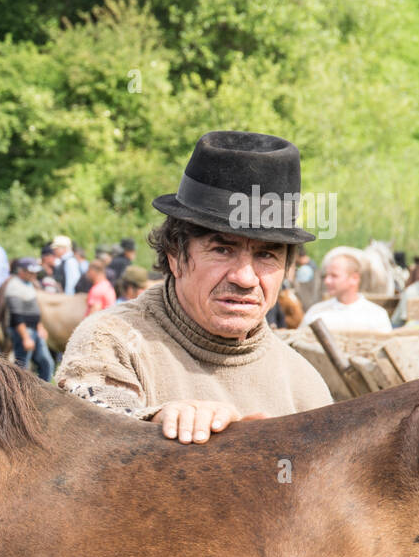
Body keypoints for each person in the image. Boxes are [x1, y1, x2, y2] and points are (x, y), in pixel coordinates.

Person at [57, 130, 332, 444]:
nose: (245, 278)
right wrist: (156, 421)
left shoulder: (305, 388)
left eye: (266, 254)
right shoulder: (112, 341)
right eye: (222, 250)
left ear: (287, 268)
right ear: (175, 254)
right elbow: (83, 431)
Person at [299, 252, 392, 333]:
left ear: (354, 278)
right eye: (326, 275)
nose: (327, 281)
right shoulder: (316, 313)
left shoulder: (376, 316)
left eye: (334, 276)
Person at [5, 257, 53, 380]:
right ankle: (19, 394)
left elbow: (33, 310)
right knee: (22, 367)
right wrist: (25, 337)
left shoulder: (28, 284)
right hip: (24, 331)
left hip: (34, 329)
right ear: (21, 271)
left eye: (34, 272)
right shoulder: (14, 287)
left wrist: (40, 326)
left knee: (46, 363)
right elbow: (17, 316)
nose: (34, 274)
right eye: (31, 272)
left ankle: (45, 393)